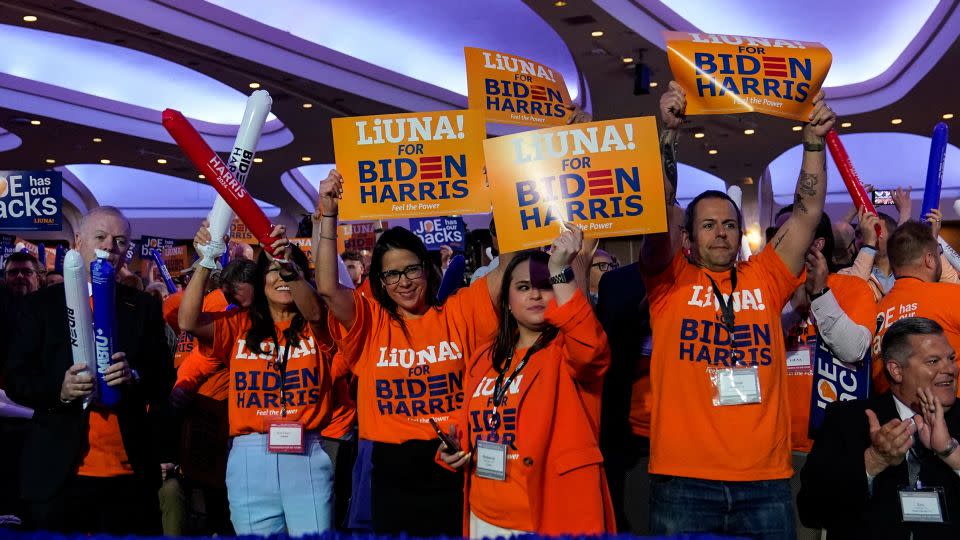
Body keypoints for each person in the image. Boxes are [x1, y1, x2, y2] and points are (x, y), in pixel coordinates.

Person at [639, 81, 835, 538]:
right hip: (683, 479)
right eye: (708, 225)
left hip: (764, 480)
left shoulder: (765, 277)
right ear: (689, 238)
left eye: (729, 224)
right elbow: (661, 207)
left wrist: (812, 144)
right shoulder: (667, 281)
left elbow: (807, 211)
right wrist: (667, 136)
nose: (722, 233)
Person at [313, 170, 508, 537]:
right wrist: (328, 213)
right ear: (380, 283)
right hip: (390, 475)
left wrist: (507, 189)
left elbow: (508, 266)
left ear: (427, 267)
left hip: (454, 463)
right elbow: (326, 286)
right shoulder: (369, 321)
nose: (403, 282)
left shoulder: (460, 311)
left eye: (411, 270)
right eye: (391, 275)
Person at [5, 205, 174, 535]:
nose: (110, 246)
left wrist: (134, 377)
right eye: (101, 236)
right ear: (78, 242)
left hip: (129, 475)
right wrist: (60, 389)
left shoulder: (143, 307)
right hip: (59, 474)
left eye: (120, 240)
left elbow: (163, 378)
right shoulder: (41, 306)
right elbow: (16, 378)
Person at [438, 224, 614, 536]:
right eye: (522, 287)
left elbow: (591, 349)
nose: (534, 293)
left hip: (549, 517)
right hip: (484, 516)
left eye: (545, 285)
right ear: (506, 301)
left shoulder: (568, 350)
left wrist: (560, 269)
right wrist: (454, 447)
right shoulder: (483, 358)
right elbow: (469, 421)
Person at [176, 225, 336, 537]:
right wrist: (207, 260)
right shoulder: (239, 326)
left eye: (290, 270)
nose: (281, 278)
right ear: (260, 281)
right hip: (249, 457)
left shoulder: (321, 326)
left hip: (305, 453)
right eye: (272, 271)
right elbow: (187, 321)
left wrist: (288, 263)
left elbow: (316, 310)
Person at [798, 317, 960, 538]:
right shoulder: (849, 420)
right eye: (933, 361)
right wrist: (874, 460)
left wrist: (951, 454)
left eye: (951, 358)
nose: (950, 369)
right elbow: (811, 510)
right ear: (896, 370)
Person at [875, 221, 960, 396]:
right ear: (929, 260)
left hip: (892, 418)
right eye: (939, 254)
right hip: (950, 416)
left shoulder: (875, 311)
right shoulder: (952, 296)